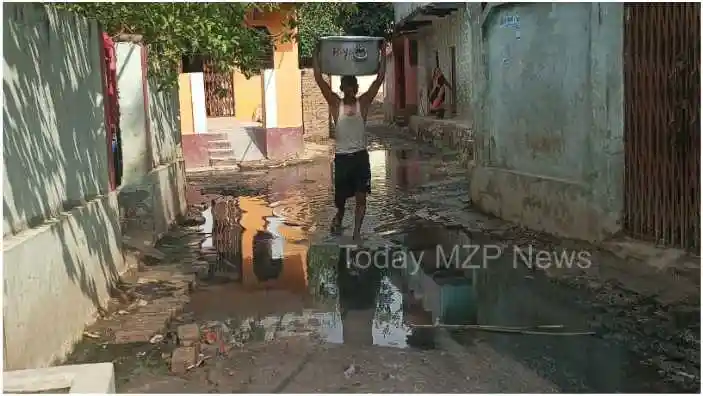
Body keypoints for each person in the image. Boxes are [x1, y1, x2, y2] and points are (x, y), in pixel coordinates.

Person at [313, 41, 386, 243]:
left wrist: (382, 52)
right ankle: (339, 215)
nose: (350, 90)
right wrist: (316, 52)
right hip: (343, 159)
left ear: (356, 88)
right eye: (346, 87)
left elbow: (380, 78)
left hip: (360, 157)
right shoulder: (335, 104)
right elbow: (318, 79)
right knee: (341, 200)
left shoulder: (363, 103)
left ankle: (356, 233)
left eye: (352, 87)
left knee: (362, 197)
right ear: (342, 88)